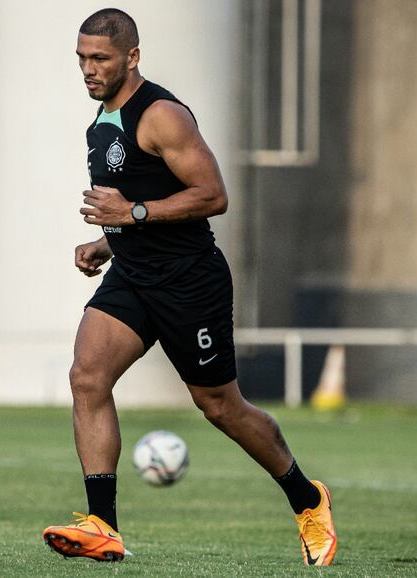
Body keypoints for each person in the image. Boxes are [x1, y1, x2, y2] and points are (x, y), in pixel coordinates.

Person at [42, 8, 337, 566]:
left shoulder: (162, 115)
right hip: (133, 275)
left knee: (220, 405)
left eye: (100, 58)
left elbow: (212, 195)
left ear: (132, 57)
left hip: (188, 282)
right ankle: (103, 525)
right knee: (87, 376)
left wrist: (129, 213)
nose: (88, 69)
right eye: (81, 58)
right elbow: (141, 204)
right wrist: (109, 242)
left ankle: (307, 498)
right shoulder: (100, 121)